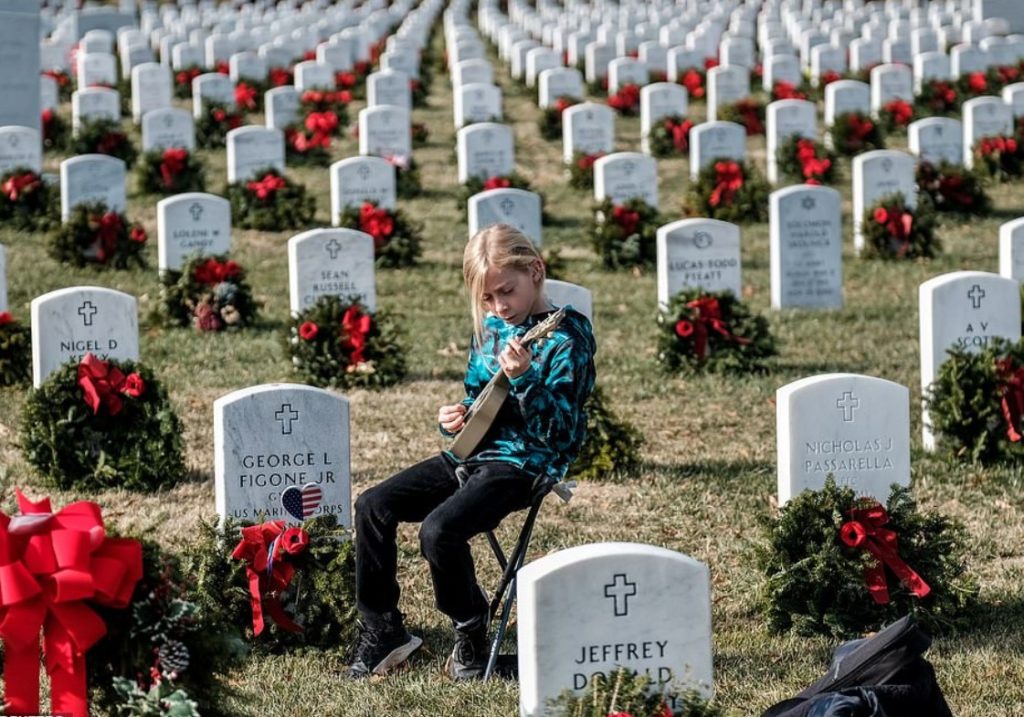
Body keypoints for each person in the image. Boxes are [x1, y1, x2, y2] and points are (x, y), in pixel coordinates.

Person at [349, 224, 597, 680]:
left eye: (507, 291)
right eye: (487, 298)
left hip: (525, 464)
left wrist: (525, 378)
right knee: (372, 505)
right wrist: (457, 416)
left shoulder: (568, 338)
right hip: (472, 455)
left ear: (535, 271)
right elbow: (479, 400)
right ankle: (382, 629)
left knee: (439, 530)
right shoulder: (491, 329)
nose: (499, 306)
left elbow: (561, 434)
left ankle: (471, 634)